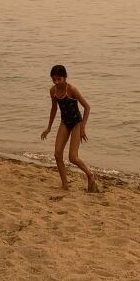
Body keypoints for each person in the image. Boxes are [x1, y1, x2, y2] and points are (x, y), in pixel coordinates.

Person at [40, 65, 98, 193]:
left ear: (65, 77)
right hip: (65, 123)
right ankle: (65, 184)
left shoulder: (71, 89)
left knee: (73, 157)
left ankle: (90, 175)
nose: (56, 82)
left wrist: (83, 127)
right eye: (53, 79)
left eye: (59, 79)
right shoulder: (53, 91)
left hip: (77, 123)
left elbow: (87, 107)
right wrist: (48, 128)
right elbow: (54, 109)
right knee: (57, 153)